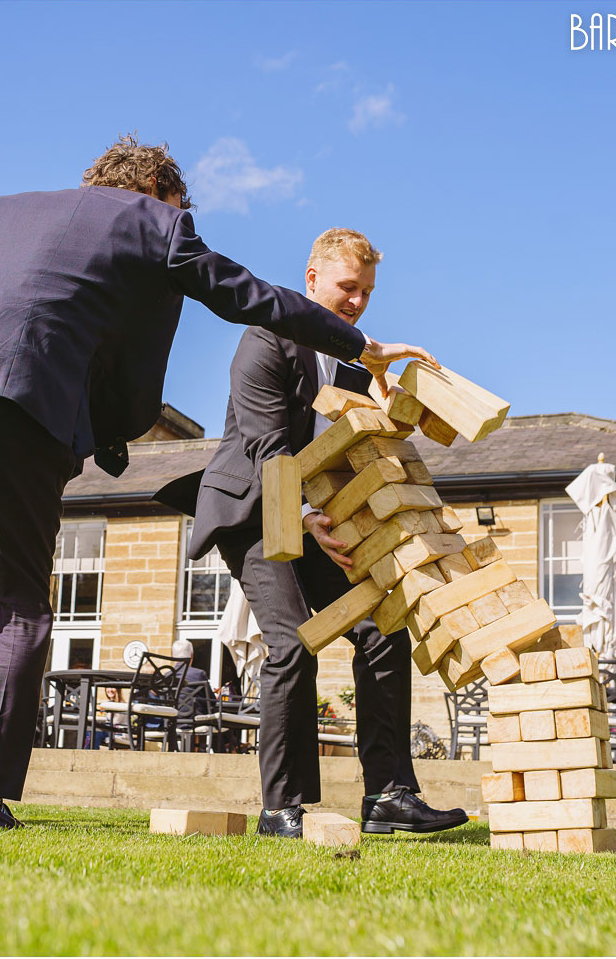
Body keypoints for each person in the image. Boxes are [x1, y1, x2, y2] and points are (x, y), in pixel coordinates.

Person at [0, 136, 435, 827]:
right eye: (183, 207)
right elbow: (240, 293)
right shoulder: (158, 221)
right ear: (158, 191)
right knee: (22, 608)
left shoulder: (5, 205)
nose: (184, 221)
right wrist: (354, 342)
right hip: (17, 388)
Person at [181, 228, 467, 838]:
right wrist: (307, 522)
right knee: (291, 642)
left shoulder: (348, 362)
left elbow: (346, 447)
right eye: (347, 287)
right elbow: (269, 449)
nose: (357, 301)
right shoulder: (264, 339)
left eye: (366, 291)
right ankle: (281, 808)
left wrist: (393, 393)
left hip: (314, 514)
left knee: (382, 625)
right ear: (312, 281)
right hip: (253, 510)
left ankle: (390, 795)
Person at [170, 637, 212, 752]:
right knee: (217, 719)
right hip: (195, 720)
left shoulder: (167, 675)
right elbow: (211, 700)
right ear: (191, 655)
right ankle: (213, 752)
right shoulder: (199, 674)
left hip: (173, 720)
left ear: (173, 655)